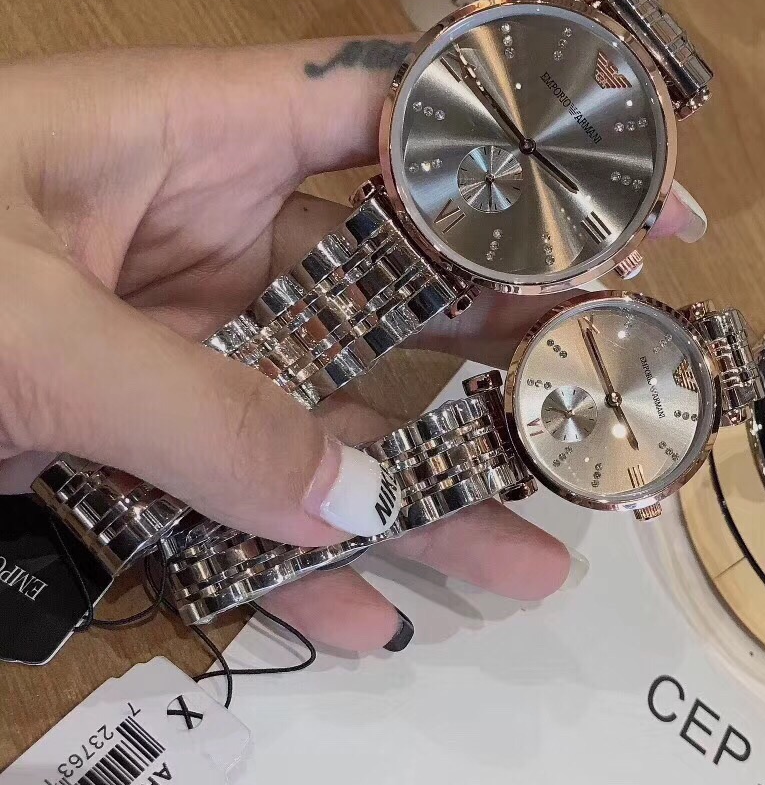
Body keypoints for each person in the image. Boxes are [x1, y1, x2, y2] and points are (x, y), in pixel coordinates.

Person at [0, 39, 708, 653]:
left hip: (447, 251)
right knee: (305, 333)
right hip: (424, 223)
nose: (531, 149)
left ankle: (172, 548)